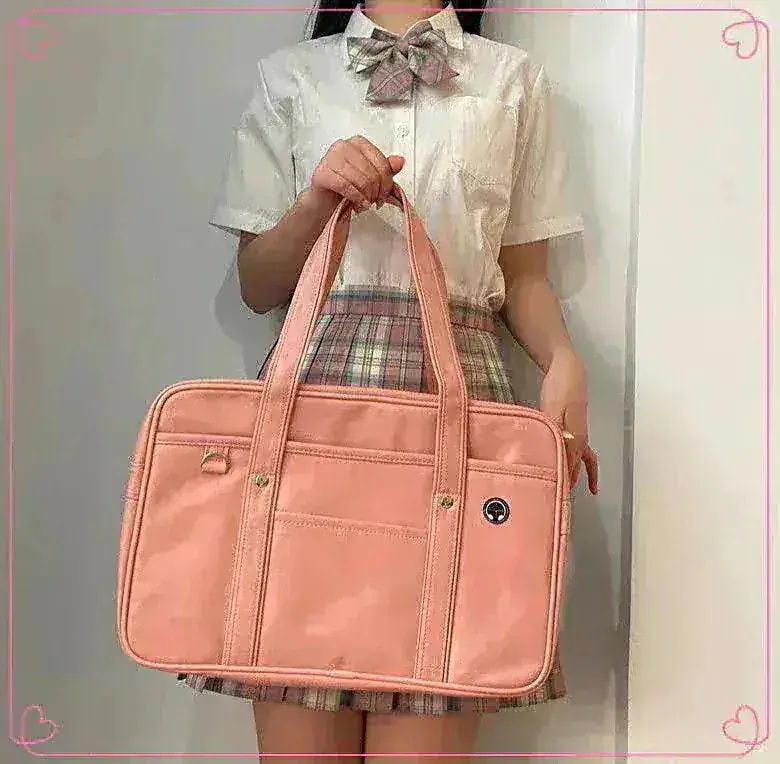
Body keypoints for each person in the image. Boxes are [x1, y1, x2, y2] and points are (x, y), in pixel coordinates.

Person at [182, 0, 599, 759]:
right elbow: (258, 284)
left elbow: (523, 275)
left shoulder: (513, 80)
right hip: (316, 400)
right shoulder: (290, 78)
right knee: (298, 691)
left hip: (459, 393)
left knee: (443, 668)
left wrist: (565, 362)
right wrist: (318, 200)